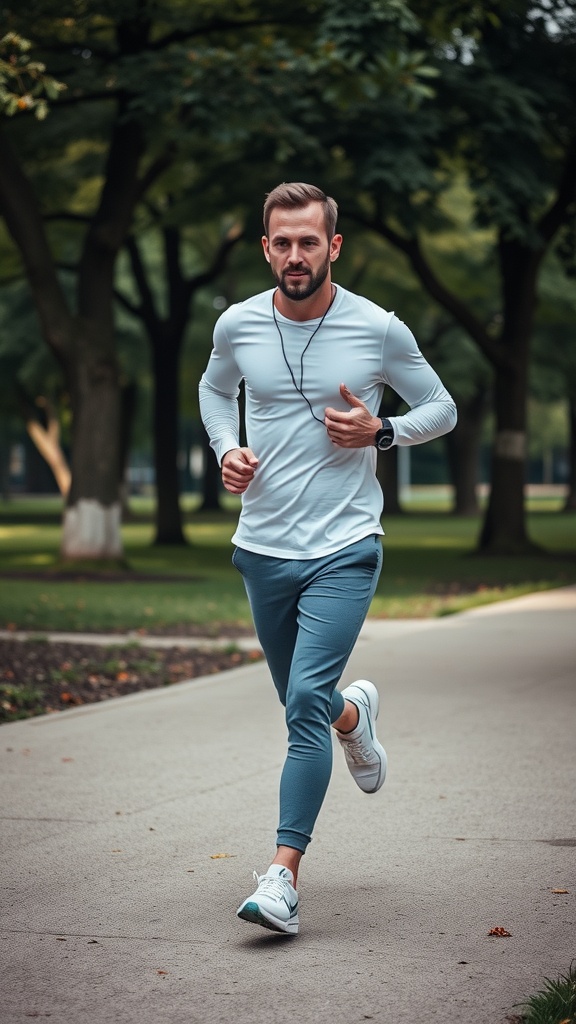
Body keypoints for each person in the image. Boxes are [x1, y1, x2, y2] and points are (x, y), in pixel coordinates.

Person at [199, 182, 457, 936]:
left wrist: (381, 432)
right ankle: (357, 712)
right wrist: (227, 449)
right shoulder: (237, 324)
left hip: (345, 546)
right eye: (281, 242)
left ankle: (282, 876)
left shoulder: (378, 328)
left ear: (333, 246)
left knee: (299, 710)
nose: (294, 255)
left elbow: (440, 407)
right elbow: (215, 391)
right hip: (262, 548)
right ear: (265, 247)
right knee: (307, 703)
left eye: (308, 242)